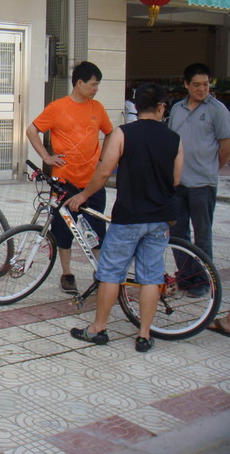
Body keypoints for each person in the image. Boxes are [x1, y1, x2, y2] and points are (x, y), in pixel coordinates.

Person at [67, 83, 183, 353]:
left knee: (110, 273)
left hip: (128, 216)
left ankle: (98, 328)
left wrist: (83, 195)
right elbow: (176, 179)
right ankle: (144, 334)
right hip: (160, 218)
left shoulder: (123, 133)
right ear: (162, 107)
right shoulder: (174, 138)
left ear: (136, 107)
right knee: (151, 276)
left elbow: (105, 171)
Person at [25, 61, 113, 295]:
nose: (96, 89)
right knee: (63, 229)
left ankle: (101, 273)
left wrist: (103, 160)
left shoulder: (98, 109)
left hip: (92, 182)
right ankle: (67, 273)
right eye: (93, 84)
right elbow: (32, 130)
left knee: (97, 229)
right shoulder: (57, 108)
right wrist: (47, 157)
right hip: (64, 182)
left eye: (98, 85)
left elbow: (110, 133)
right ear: (79, 83)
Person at [168, 63, 230, 297]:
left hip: (203, 185)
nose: (202, 89)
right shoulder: (177, 109)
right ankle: (186, 277)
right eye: (196, 85)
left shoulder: (217, 110)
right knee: (177, 234)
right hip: (178, 183)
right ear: (186, 85)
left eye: (206, 84)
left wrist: (211, 169)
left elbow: (225, 146)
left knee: (202, 236)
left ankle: (204, 281)